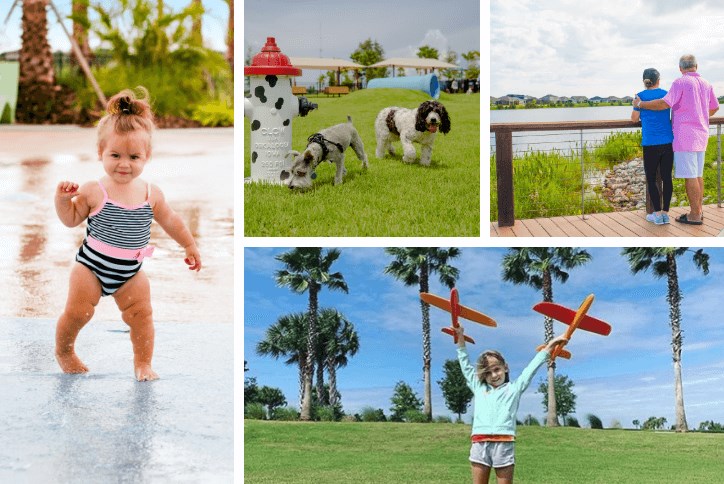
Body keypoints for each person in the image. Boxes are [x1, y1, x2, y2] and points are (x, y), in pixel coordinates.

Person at [54, 87, 202, 381]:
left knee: (142, 316)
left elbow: (171, 220)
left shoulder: (151, 194)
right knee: (77, 313)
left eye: (134, 156)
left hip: (131, 271)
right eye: (115, 155)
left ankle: (143, 363)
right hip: (91, 268)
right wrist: (61, 200)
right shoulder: (94, 190)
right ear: (100, 153)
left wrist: (189, 245)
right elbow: (71, 219)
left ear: (147, 156)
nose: (124, 163)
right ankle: (65, 351)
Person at [454, 323, 568, 484]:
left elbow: (530, 369)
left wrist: (548, 348)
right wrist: (460, 339)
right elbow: (465, 365)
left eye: (497, 369)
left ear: (505, 368)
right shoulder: (478, 387)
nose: (493, 375)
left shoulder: (514, 388)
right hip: (480, 443)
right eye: (488, 372)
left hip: (504, 443)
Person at [634, 54, 719, 225]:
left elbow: (664, 104)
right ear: (697, 66)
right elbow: (715, 107)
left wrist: (640, 105)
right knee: (698, 174)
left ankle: (694, 215)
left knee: (690, 176)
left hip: (685, 135)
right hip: (701, 134)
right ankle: (698, 211)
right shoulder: (706, 83)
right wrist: (700, 116)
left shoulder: (680, 82)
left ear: (681, 68)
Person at [631, 68, 674, 225]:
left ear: (644, 81)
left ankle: (656, 214)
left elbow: (634, 119)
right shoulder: (667, 94)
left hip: (650, 143)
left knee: (651, 178)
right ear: (658, 80)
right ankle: (665, 213)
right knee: (666, 177)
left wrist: (639, 107)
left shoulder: (639, 97)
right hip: (668, 141)